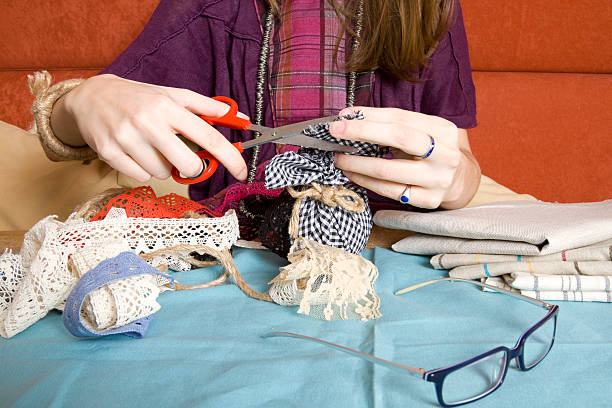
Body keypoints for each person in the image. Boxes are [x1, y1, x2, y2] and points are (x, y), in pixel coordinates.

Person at [42, 0, 481, 211]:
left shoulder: (426, 8)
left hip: (386, 253)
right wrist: (84, 100)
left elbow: (457, 156)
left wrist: (459, 182)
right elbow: (64, 135)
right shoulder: (212, 6)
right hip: (234, 248)